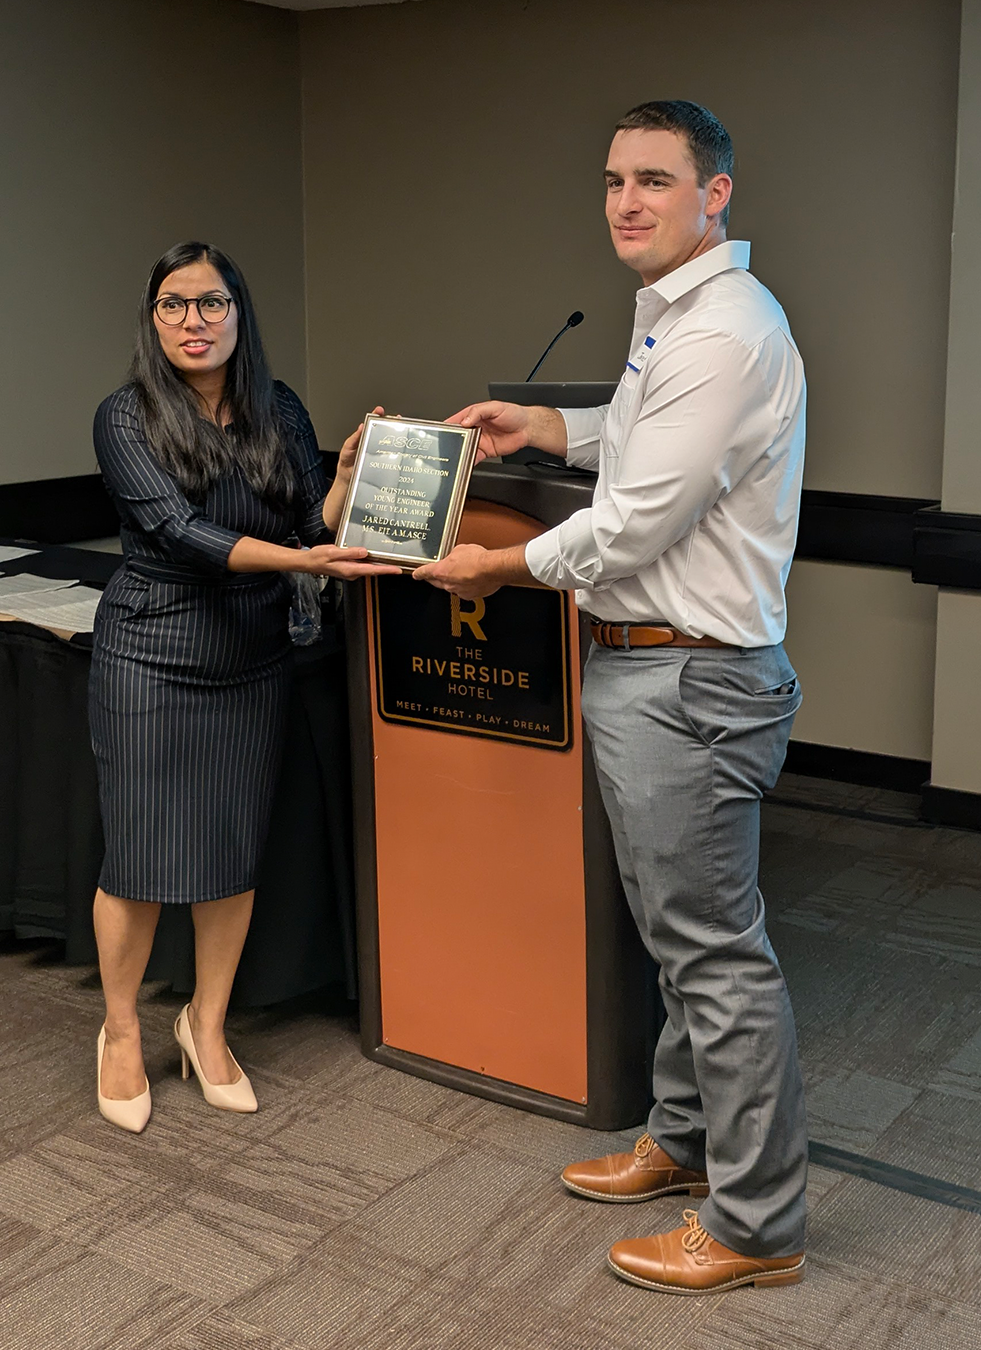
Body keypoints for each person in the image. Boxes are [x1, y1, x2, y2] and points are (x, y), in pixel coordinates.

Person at [415, 102, 808, 1294]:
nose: (626, 202)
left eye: (654, 179)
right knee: (675, 937)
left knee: (716, 958)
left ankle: (756, 1226)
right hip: (651, 668)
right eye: (612, 180)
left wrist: (496, 567)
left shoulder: (725, 330)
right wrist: (550, 426)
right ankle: (684, 1142)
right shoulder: (674, 316)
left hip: (690, 678)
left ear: (715, 193)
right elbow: (646, 444)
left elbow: (639, 520)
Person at [90, 241, 397, 1133]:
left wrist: (345, 481)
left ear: (238, 314)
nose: (194, 321)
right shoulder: (125, 416)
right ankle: (119, 1032)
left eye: (212, 303)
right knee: (139, 858)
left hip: (253, 654)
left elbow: (313, 526)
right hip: (151, 650)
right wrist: (304, 562)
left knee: (231, 853)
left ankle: (207, 1023)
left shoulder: (279, 407)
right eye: (174, 305)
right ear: (153, 319)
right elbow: (180, 533)